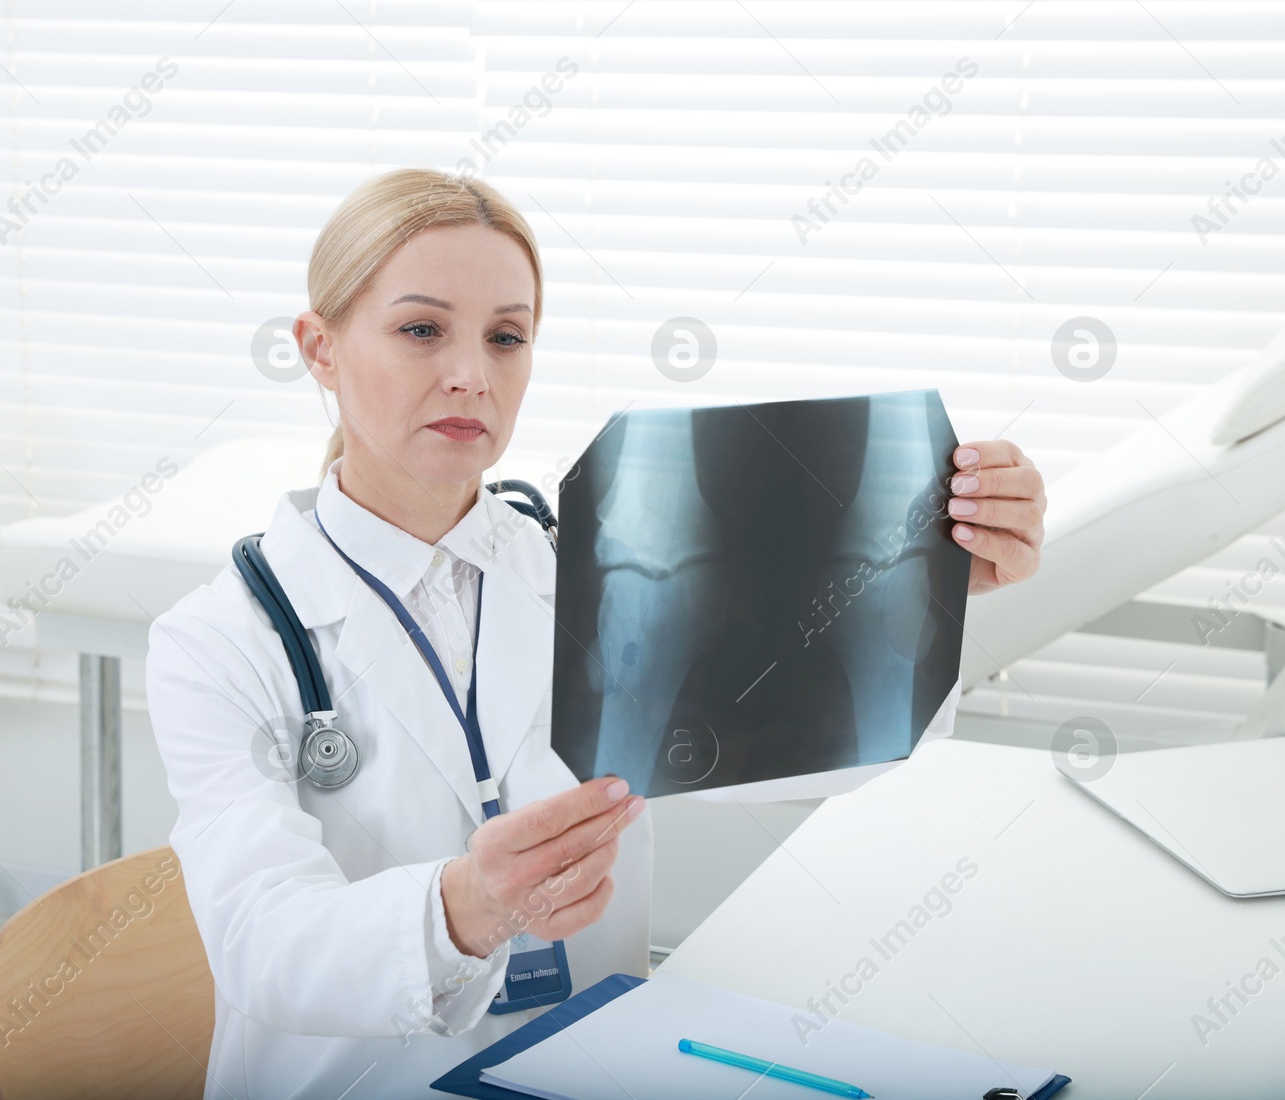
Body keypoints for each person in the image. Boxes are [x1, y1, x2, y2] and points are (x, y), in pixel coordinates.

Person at [145, 167, 1047, 1099]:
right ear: (319, 347)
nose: (471, 374)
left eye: (507, 337)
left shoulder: (595, 569)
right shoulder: (219, 640)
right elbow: (261, 940)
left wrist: (930, 587)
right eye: (422, 329)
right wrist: (463, 911)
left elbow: (813, 752)